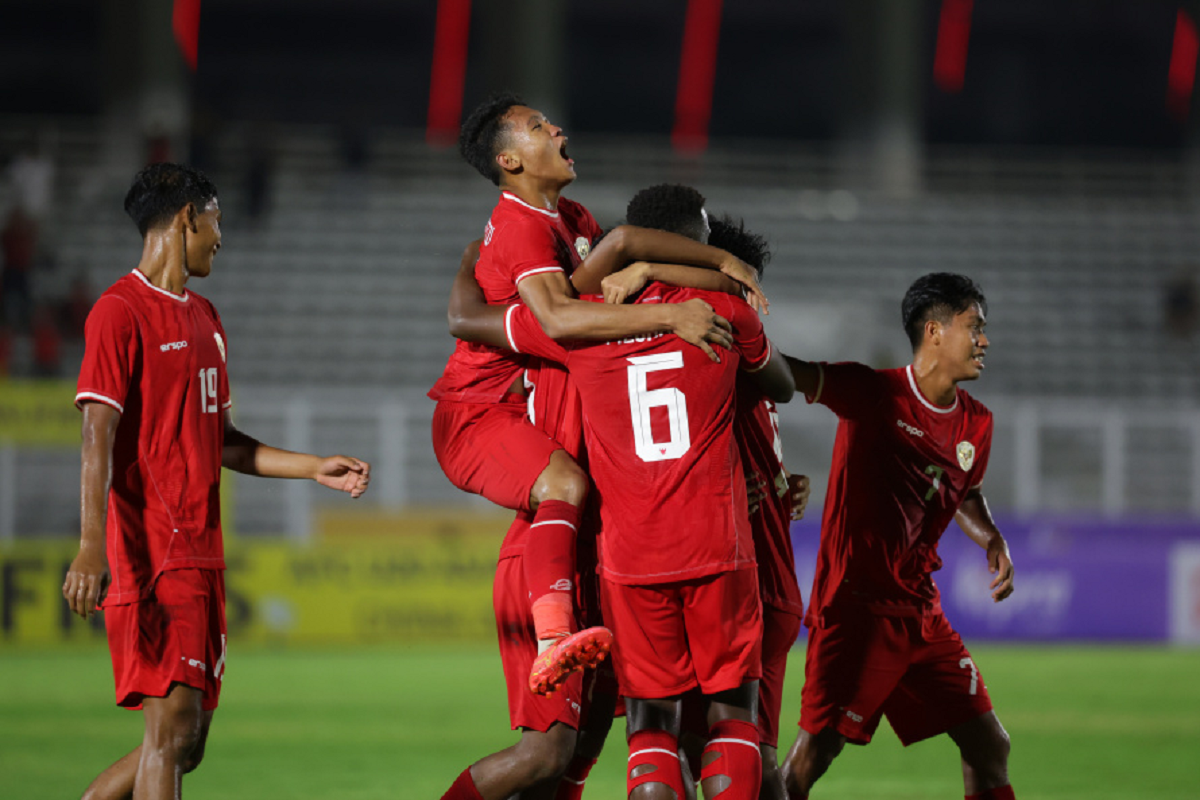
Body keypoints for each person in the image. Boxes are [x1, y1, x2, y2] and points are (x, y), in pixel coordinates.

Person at [430, 92, 767, 701]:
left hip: (531, 404)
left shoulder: (573, 218)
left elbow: (623, 252)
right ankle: (552, 634)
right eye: (538, 126)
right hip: (480, 411)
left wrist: (715, 268)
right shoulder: (517, 228)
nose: (557, 127)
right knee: (565, 485)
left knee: (567, 752)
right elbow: (559, 317)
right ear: (510, 160)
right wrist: (672, 312)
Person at [62, 163, 371, 800]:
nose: (220, 238)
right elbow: (97, 435)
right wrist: (91, 547)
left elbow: (224, 442)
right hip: (150, 549)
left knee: (187, 740)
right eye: (216, 221)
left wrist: (313, 466)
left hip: (203, 551)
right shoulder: (118, 313)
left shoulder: (206, 318)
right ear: (186, 219)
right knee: (170, 730)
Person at [503, 254, 794, 800]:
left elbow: (477, 319)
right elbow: (780, 383)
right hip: (718, 548)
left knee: (650, 729)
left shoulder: (577, 325)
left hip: (631, 561)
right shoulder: (724, 312)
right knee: (732, 718)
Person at [778, 272, 1017, 800]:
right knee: (813, 756)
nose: (985, 340)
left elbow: (965, 491)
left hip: (921, 614)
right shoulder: (872, 394)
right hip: (855, 611)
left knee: (989, 745)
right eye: (974, 326)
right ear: (934, 331)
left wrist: (992, 537)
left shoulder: (977, 423)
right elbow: (788, 374)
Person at [608, 190, 810, 800]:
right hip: (752, 569)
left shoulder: (617, 332)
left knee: (676, 741)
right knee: (746, 752)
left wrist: (643, 267)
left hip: (712, 563)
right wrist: (778, 480)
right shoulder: (725, 334)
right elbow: (781, 390)